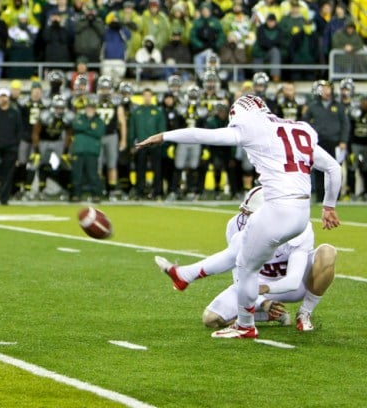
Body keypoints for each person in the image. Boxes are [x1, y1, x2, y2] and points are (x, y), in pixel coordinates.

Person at [135, 94, 342, 339]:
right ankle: (186, 275)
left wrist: (165, 136)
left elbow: (204, 135)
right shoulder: (299, 129)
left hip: (278, 210)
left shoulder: (253, 128)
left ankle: (245, 325)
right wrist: (329, 206)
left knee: (245, 267)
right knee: (241, 247)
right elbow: (333, 168)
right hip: (301, 211)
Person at [155, 187, 336, 331]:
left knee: (327, 252)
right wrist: (261, 301)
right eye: (244, 212)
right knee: (210, 320)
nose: (244, 218)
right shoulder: (236, 227)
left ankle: (304, 314)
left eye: (250, 215)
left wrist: (262, 290)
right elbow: (239, 274)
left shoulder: (298, 228)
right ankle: (268, 316)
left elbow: (293, 281)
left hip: (292, 286)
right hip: (255, 283)